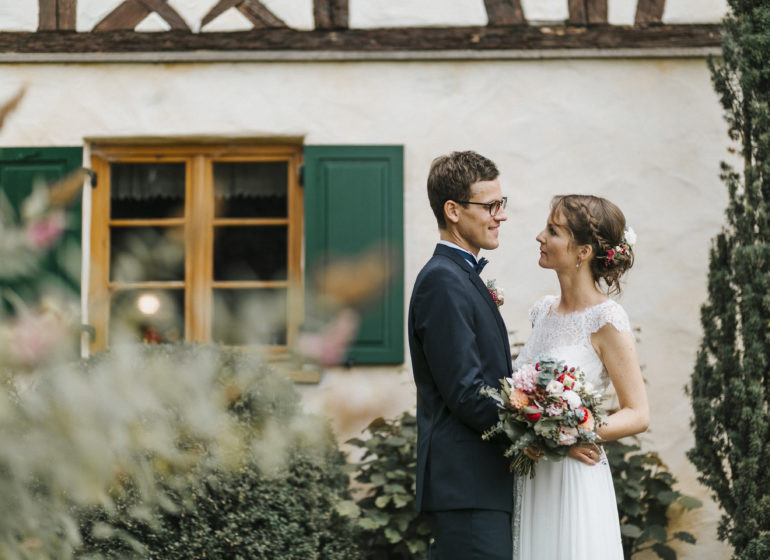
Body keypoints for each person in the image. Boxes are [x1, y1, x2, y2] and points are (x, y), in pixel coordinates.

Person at [513, 194, 650, 559]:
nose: (540, 237)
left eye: (553, 231)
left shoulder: (607, 320)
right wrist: (532, 431)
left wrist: (564, 433)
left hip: (576, 472)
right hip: (535, 475)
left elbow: (637, 413)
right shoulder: (542, 311)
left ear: (583, 251)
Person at [408, 151, 514, 560]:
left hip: (481, 484)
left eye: (501, 204)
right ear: (453, 210)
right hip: (467, 487)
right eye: (490, 206)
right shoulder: (442, 280)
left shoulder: (460, 275)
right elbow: (468, 392)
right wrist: (539, 430)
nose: (500, 215)